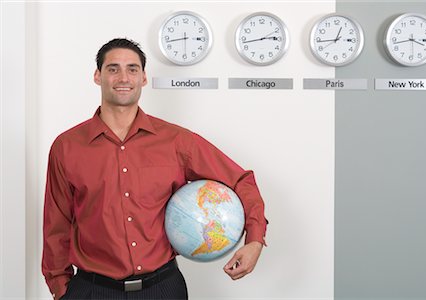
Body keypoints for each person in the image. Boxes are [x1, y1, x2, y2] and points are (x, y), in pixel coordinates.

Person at [42, 38, 267, 300]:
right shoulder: (67, 146)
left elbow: (241, 180)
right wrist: (61, 290)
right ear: (97, 76)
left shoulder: (176, 141)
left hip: (162, 289)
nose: (123, 77)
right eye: (113, 69)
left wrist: (254, 241)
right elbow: (56, 225)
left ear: (144, 78)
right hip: (93, 290)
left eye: (132, 69)